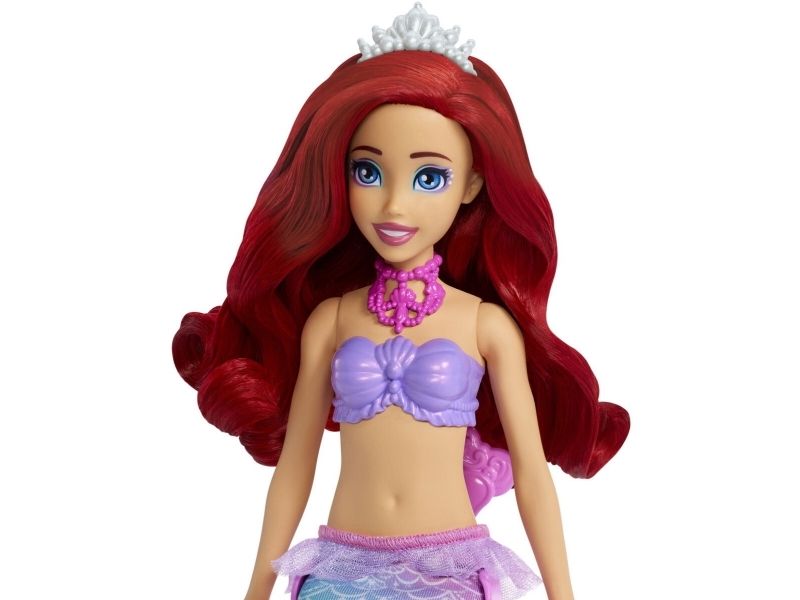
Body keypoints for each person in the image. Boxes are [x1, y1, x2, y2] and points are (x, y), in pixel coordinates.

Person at [172, 4, 629, 599]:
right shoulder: (332, 320)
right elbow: (295, 470)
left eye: (429, 178)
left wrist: (563, 595)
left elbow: (533, 475)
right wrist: (256, 591)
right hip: (341, 574)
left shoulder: (485, 326)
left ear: (472, 183)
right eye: (368, 172)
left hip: (447, 574)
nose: (393, 205)